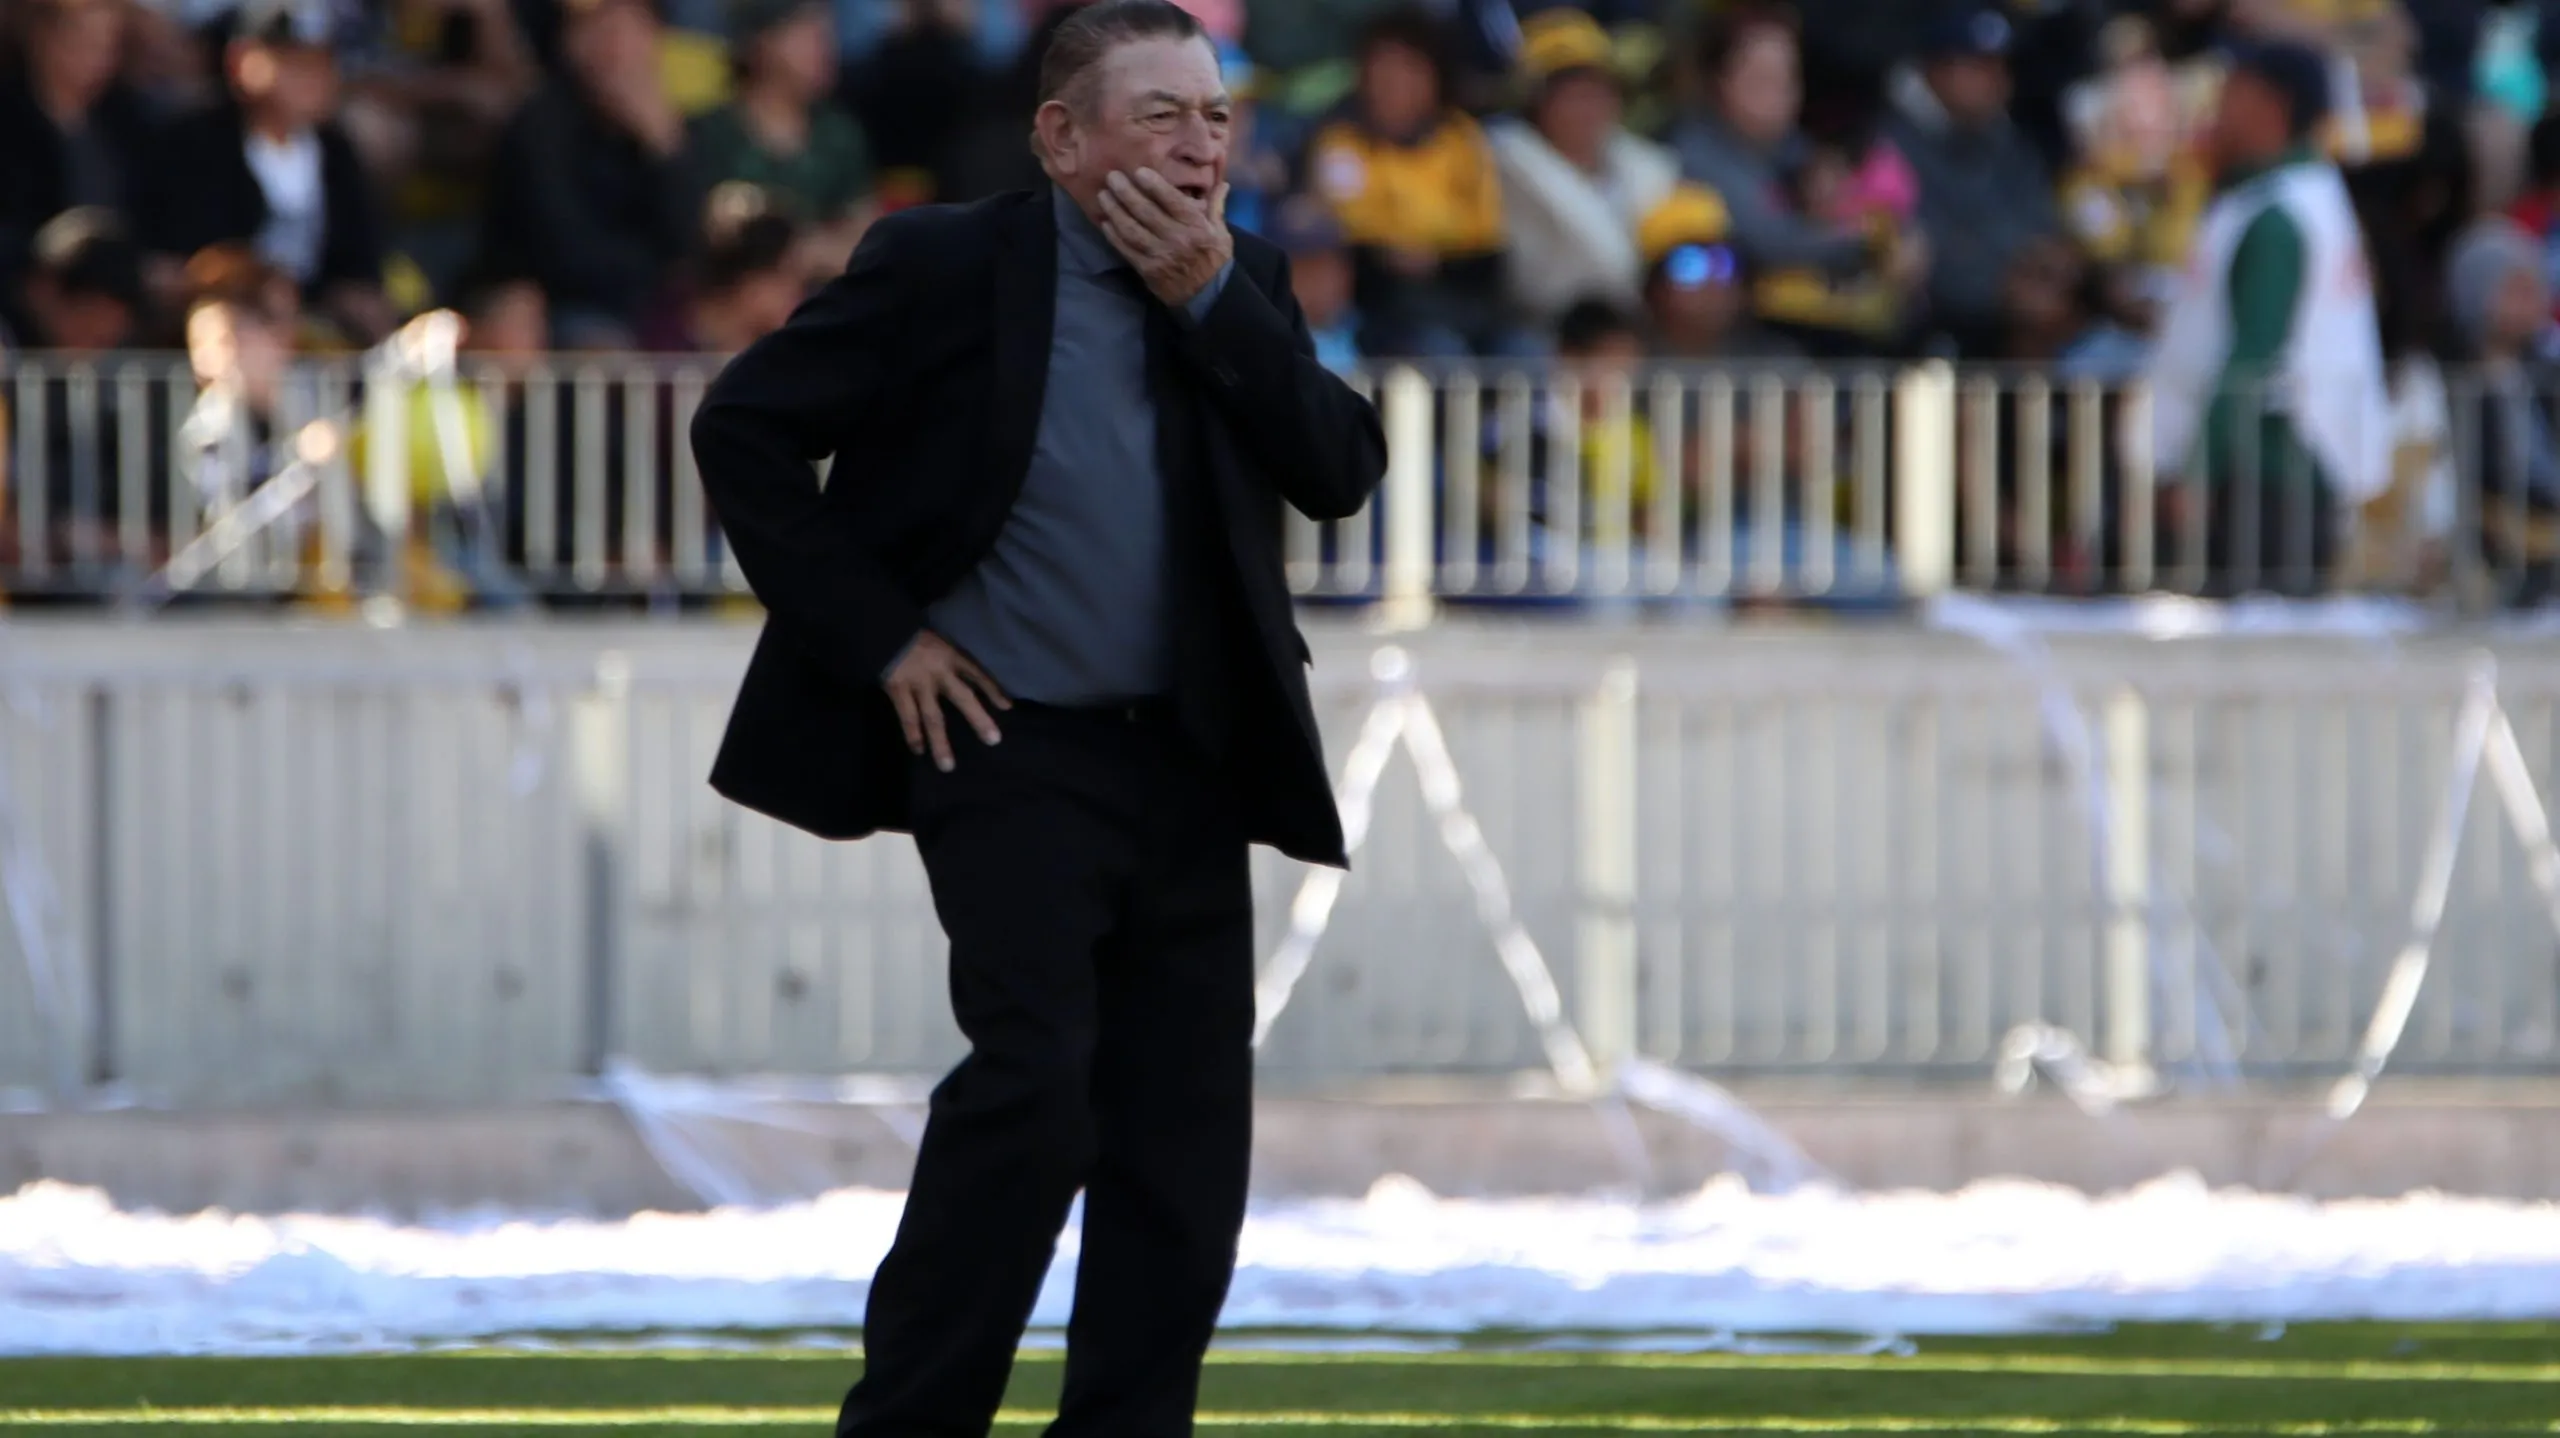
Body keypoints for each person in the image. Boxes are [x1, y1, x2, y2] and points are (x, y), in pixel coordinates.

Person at [686, 6, 1383, 1434]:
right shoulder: (945, 263)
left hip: (1189, 754)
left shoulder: (1241, 273)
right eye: (1158, 116)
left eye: (1215, 116)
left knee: (1185, 1140)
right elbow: (742, 428)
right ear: (1061, 139)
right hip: (1006, 744)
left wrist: (1210, 303)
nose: (1199, 146)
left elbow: (1336, 468)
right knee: (1035, 1089)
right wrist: (882, 636)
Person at [2142, 38, 2387, 597]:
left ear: (2269, 106)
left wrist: (2199, 469)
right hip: (2287, 467)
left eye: (2231, 94)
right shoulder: (2301, 194)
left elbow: (2254, 351)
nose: (2217, 110)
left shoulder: (2278, 212)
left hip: (2264, 472)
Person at [137, 0, 395, 347]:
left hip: (318, 331)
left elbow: (357, 261)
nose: (310, 79)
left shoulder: (336, 152)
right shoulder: (197, 142)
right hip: (226, 328)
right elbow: (187, 259)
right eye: (292, 62)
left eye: (320, 64)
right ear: (240, 61)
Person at [478, 0, 702, 346]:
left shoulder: (671, 129)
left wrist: (667, 153)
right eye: (598, 31)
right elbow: (561, 250)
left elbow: (692, 241)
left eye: (628, 32)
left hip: (654, 304)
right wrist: (656, 275)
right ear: (570, 43)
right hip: (560, 306)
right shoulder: (540, 125)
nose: (613, 50)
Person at [1302, 6, 1509, 356]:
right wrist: (1402, 248)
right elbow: (1344, 224)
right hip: (1377, 303)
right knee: (1439, 352)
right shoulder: (1340, 141)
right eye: (1383, 67)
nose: (1394, 82)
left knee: (1520, 350)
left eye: (1410, 68)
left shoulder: (1462, 138)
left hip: (1455, 291)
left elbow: (1484, 232)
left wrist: (1434, 255)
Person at [1883, 6, 2064, 359]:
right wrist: (2004, 289)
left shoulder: (2008, 142)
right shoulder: (1893, 145)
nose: (1994, 81)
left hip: (2020, 325)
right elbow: (1926, 251)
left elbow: (2044, 225)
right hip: (1931, 336)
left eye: (1999, 67)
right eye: (1977, 66)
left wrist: (2045, 270)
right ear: (1936, 70)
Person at [1488, 8, 1683, 334]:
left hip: (1636, 341)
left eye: (1597, 93)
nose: (1587, 109)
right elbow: (1532, 282)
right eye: (1571, 96)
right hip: (1544, 335)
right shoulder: (1505, 162)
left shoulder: (1650, 167)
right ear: (1538, 103)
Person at [0, 0, 156, 328]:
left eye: (107, 47)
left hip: (117, 300)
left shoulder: (126, 121)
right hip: (26, 305)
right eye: (82, 42)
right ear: (43, 38)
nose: (96, 60)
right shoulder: (9, 118)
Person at [688, 0, 874, 271]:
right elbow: (709, 234)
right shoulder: (709, 134)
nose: (824, 48)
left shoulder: (838, 134)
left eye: (825, 32)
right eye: (806, 34)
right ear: (761, 43)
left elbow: (865, 241)